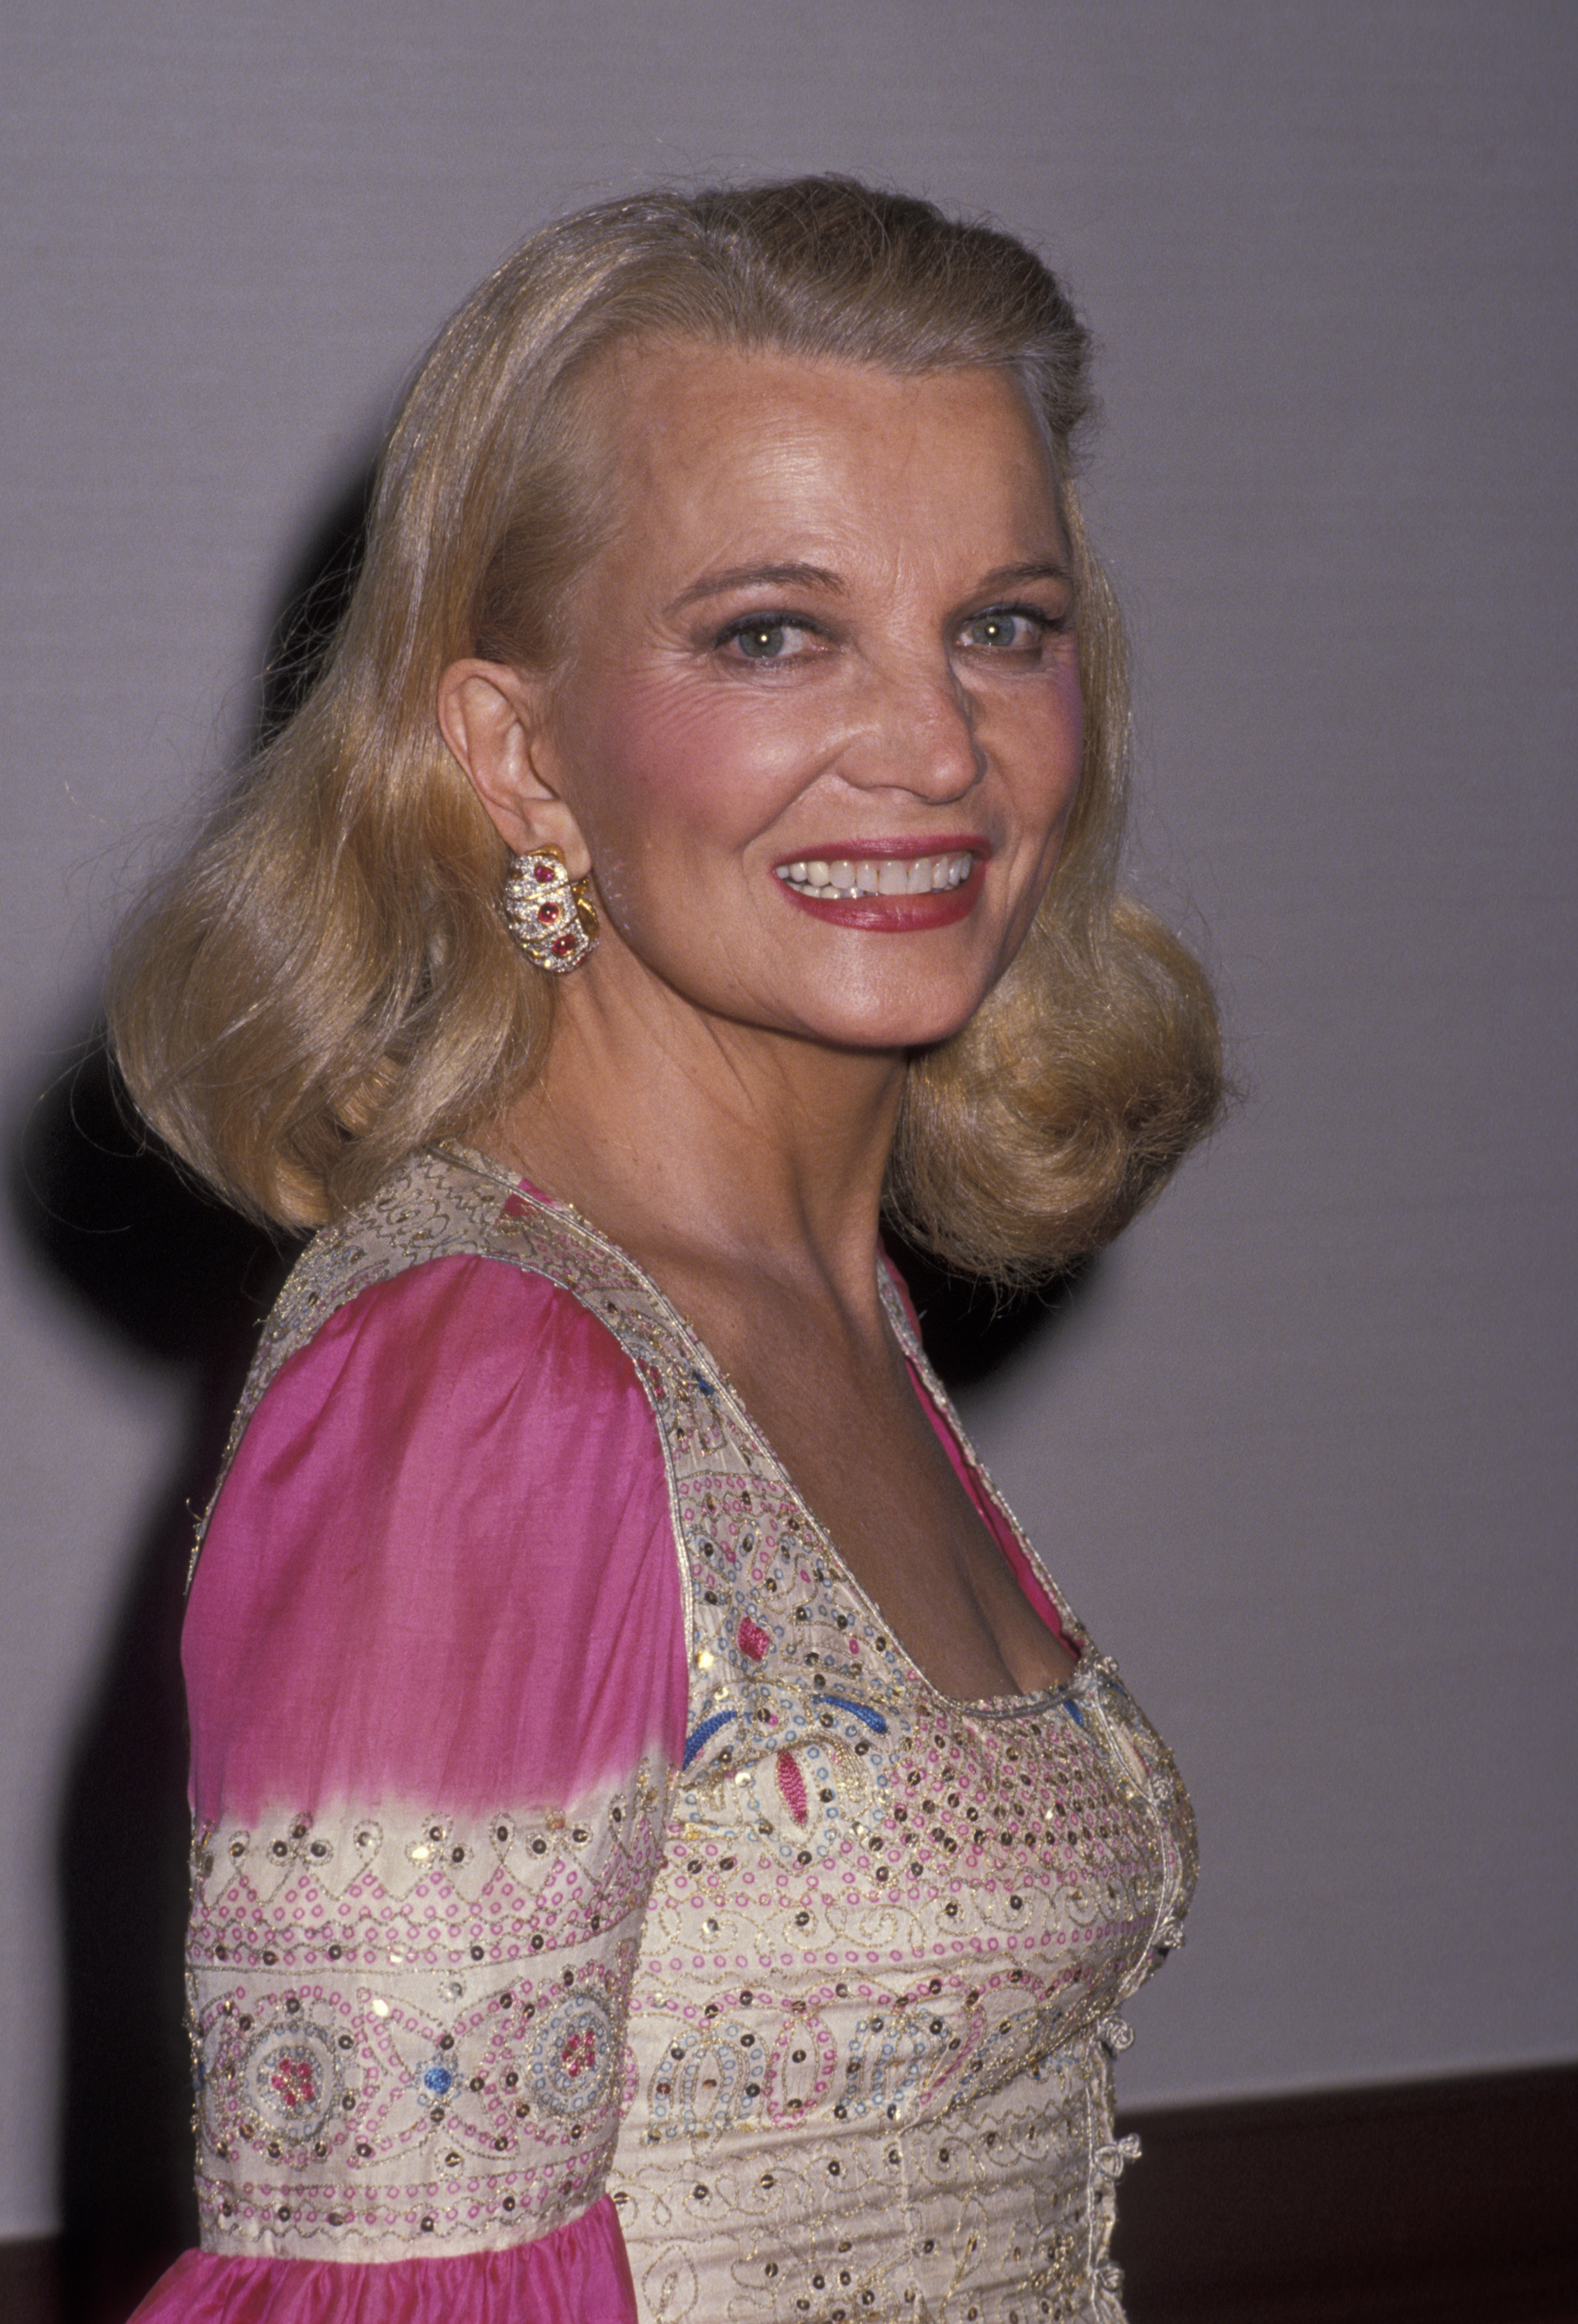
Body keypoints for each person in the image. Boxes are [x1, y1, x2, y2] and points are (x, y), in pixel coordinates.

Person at [111, 177, 1222, 2324]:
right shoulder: (481, 1384)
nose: (936, 748)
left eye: (1002, 621)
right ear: (519, 755)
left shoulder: (825, 1310)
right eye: (774, 633)